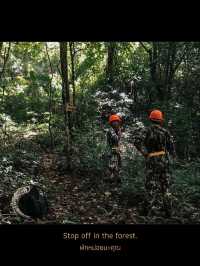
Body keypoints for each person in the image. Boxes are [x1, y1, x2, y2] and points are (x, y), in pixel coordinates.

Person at [133, 109, 176, 217]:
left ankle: (146, 212)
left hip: (152, 159)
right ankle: (168, 212)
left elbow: (137, 142)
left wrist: (145, 153)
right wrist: (171, 158)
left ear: (151, 119)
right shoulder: (165, 132)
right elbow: (172, 148)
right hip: (164, 160)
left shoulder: (146, 130)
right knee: (165, 185)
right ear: (160, 120)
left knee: (150, 185)